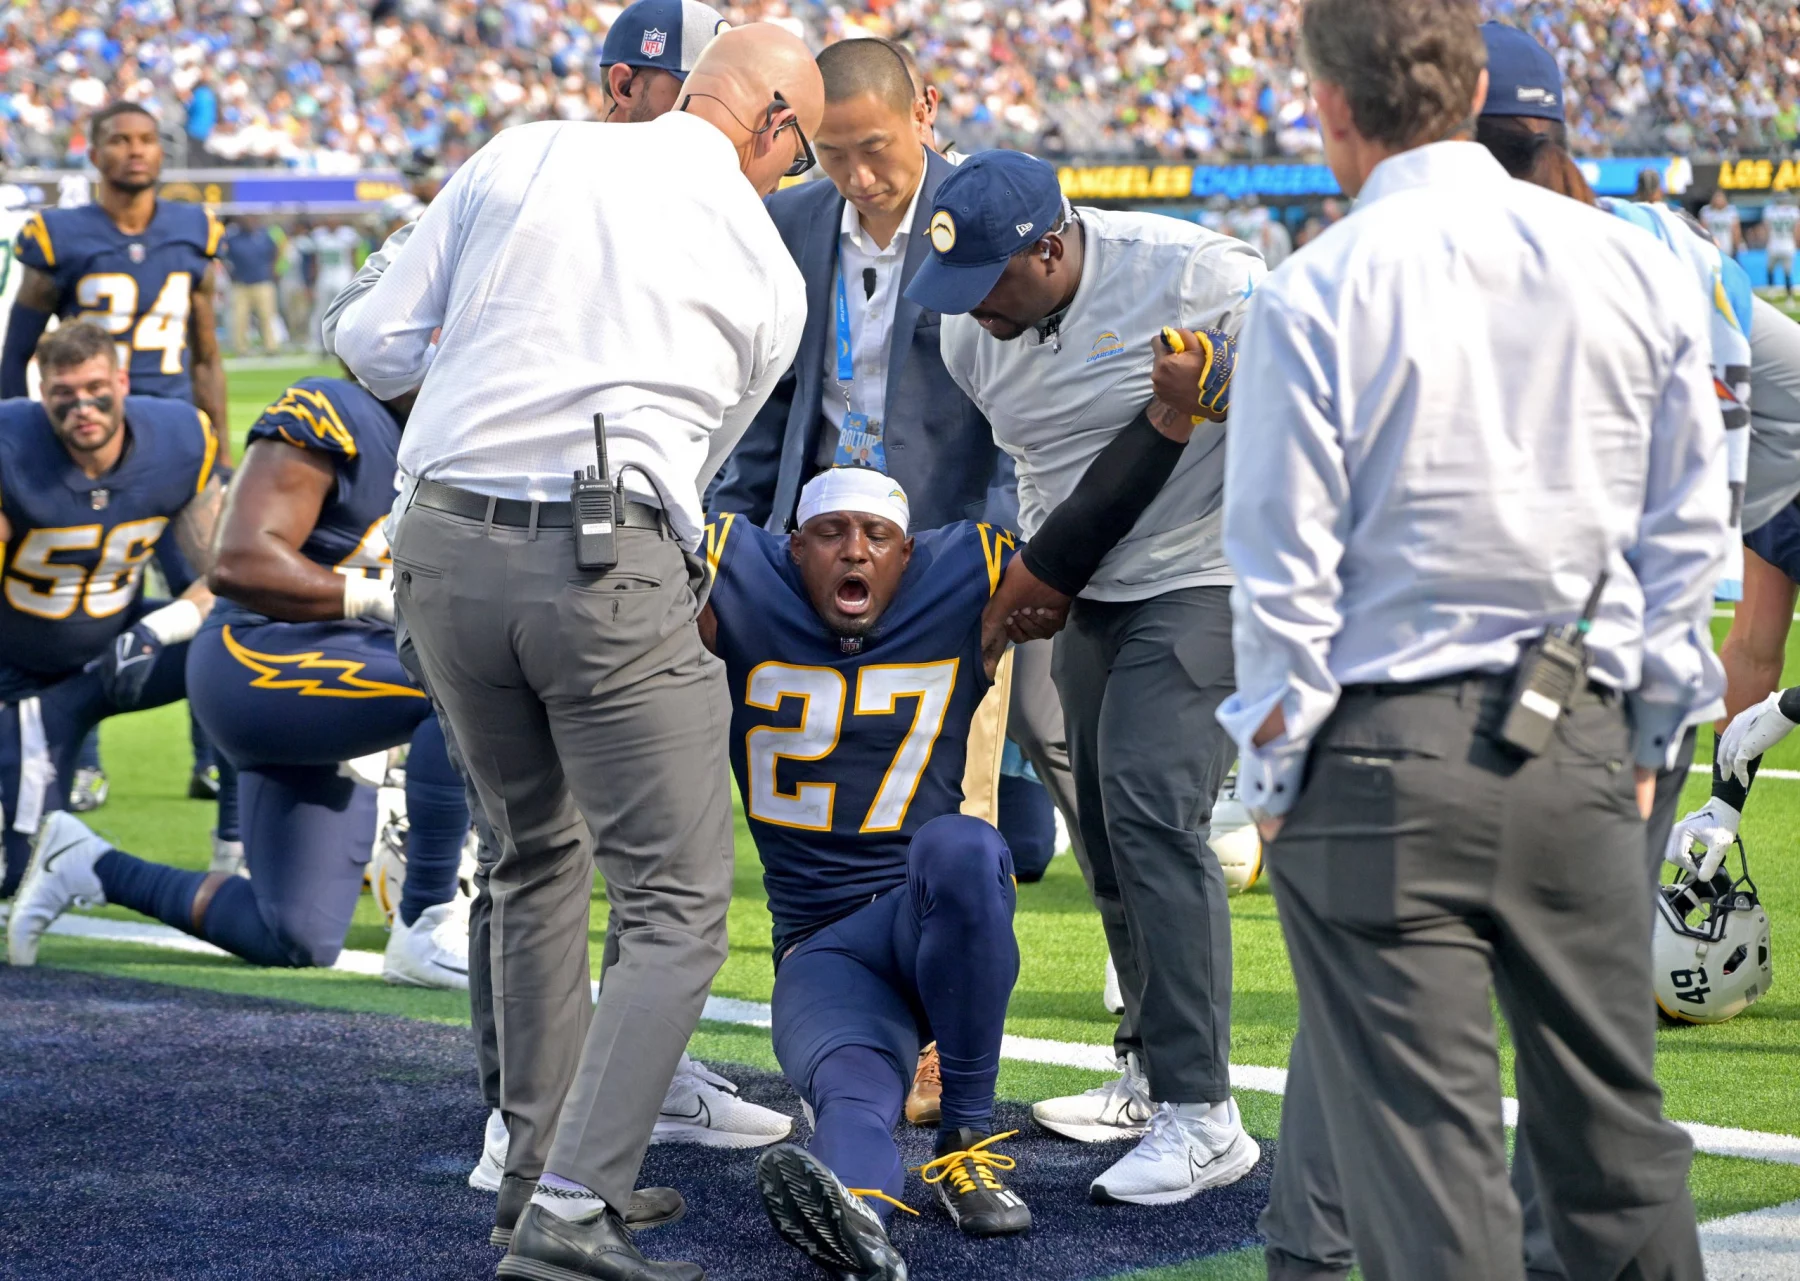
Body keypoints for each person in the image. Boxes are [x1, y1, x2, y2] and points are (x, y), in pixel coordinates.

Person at [1218, 2, 1723, 1277]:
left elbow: (1283, 578)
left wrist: (1272, 781)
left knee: (1429, 1178)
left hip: (1383, 754)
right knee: (1615, 1153)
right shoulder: (1630, 263)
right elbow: (1685, 536)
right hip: (1579, 729)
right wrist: (1652, 730)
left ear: (1335, 107)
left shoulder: (1319, 285)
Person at [335, 25, 822, 1281]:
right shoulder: (769, 262)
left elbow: (373, 339)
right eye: (801, 147)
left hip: (440, 539)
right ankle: (572, 1206)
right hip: (607, 551)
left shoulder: (530, 150)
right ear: (770, 123)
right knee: (672, 903)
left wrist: (483, 398)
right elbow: (704, 463)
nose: (795, 170)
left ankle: (530, 1167)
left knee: (527, 855)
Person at [907, 148, 1266, 1206]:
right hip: (1086, 583)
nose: (970, 307)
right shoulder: (968, 333)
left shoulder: (1202, 275)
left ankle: (1206, 1116)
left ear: (1052, 246)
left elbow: (1327, 394)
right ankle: (1151, 1071)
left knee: (1155, 809)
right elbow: (1039, 466)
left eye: (988, 280)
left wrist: (1232, 391)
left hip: (1208, 569)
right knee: (1106, 835)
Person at [7, 375, 476, 989]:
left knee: (294, 935)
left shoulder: (467, 427)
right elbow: (237, 563)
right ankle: (426, 918)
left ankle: (86, 862)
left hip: (342, 686)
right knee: (464, 688)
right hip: (257, 658)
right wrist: (374, 598)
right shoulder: (332, 413)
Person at [702, 469, 1031, 1278]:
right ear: (794, 546)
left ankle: (965, 1133)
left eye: (875, 535)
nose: (855, 550)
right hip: (821, 949)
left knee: (959, 843)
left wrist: (1165, 422)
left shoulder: (960, 580)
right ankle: (860, 1221)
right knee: (850, 1096)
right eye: (832, 532)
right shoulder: (736, 579)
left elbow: (1072, 552)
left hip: (933, 913)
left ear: (908, 552)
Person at [4, 101, 233, 812]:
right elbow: (19, 354)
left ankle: (217, 754)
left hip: (171, 454)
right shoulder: (60, 234)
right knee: (79, 591)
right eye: (119, 142)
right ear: (94, 155)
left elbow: (205, 350)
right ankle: (76, 758)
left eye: (145, 140)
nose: (135, 152)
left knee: (215, 598)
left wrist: (218, 450)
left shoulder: (195, 230)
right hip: (83, 444)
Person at [0, 323, 223, 909]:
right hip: (18, 671)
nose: (82, 406)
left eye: (96, 387)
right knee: (18, 875)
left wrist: (161, 626)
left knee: (240, 648)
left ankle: (236, 844)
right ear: (39, 392)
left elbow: (222, 578)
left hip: (119, 647)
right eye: (62, 393)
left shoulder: (178, 438)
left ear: (122, 380)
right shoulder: (10, 447)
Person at [224, 215, 282, 355]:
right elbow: (224, 255)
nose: (250, 222)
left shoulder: (264, 236)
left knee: (267, 316)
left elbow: (277, 251)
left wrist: (273, 269)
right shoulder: (233, 238)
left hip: (262, 282)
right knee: (240, 317)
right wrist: (230, 272)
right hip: (241, 284)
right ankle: (241, 348)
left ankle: (271, 347)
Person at [304, 219, 361, 352]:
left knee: (345, 310)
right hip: (325, 276)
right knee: (321, 310)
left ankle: (345, 342)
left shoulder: (348, 235)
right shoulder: (319, 236)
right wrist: (312, 281)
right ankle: (318, 342)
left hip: (343, 275)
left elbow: (354, 256)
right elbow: (314, 261)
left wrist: (356, 275)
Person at [1763, 194, 1798, 298]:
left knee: (1770, 269)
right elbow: (1796, 230)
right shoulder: (1793, 211)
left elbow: (1766, 229)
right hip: (1788, 244)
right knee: (1787, 272)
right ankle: (1789, 295)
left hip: (1773, 244)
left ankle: (1771, 292)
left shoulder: (1769, 211)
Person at [1703, 188, 1744, 259]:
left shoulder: (1731, 211)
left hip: (1728, 248)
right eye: (1717, 197)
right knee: (1715, 269)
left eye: (1721, 197)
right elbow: (1703, 231)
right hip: (1713, 248)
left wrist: (1737, 245)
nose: (1719, 200)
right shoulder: (1706, 212)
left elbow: (1736, 231)